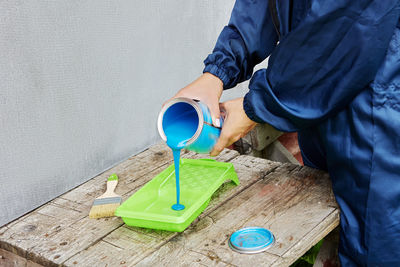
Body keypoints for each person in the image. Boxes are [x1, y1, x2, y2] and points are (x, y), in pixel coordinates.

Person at [170, 0, 400, 266]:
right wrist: (217, 72)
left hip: (377, 102)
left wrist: (255, 108)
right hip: (313, 98)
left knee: (377, 248)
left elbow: (347, 18)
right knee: (325, 221)